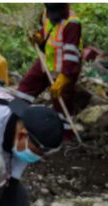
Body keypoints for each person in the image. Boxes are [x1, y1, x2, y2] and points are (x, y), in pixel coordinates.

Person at [15, 3, 82, 141]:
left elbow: (71, 54)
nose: (53, 17)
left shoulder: (72, 23)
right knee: (25, 89)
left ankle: (66, 135)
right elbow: (44, 33)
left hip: (64, 69)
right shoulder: (46, 13)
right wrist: (38, 38)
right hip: (45, 62)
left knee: (62, 103)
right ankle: (14, 119)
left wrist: (65, 77)